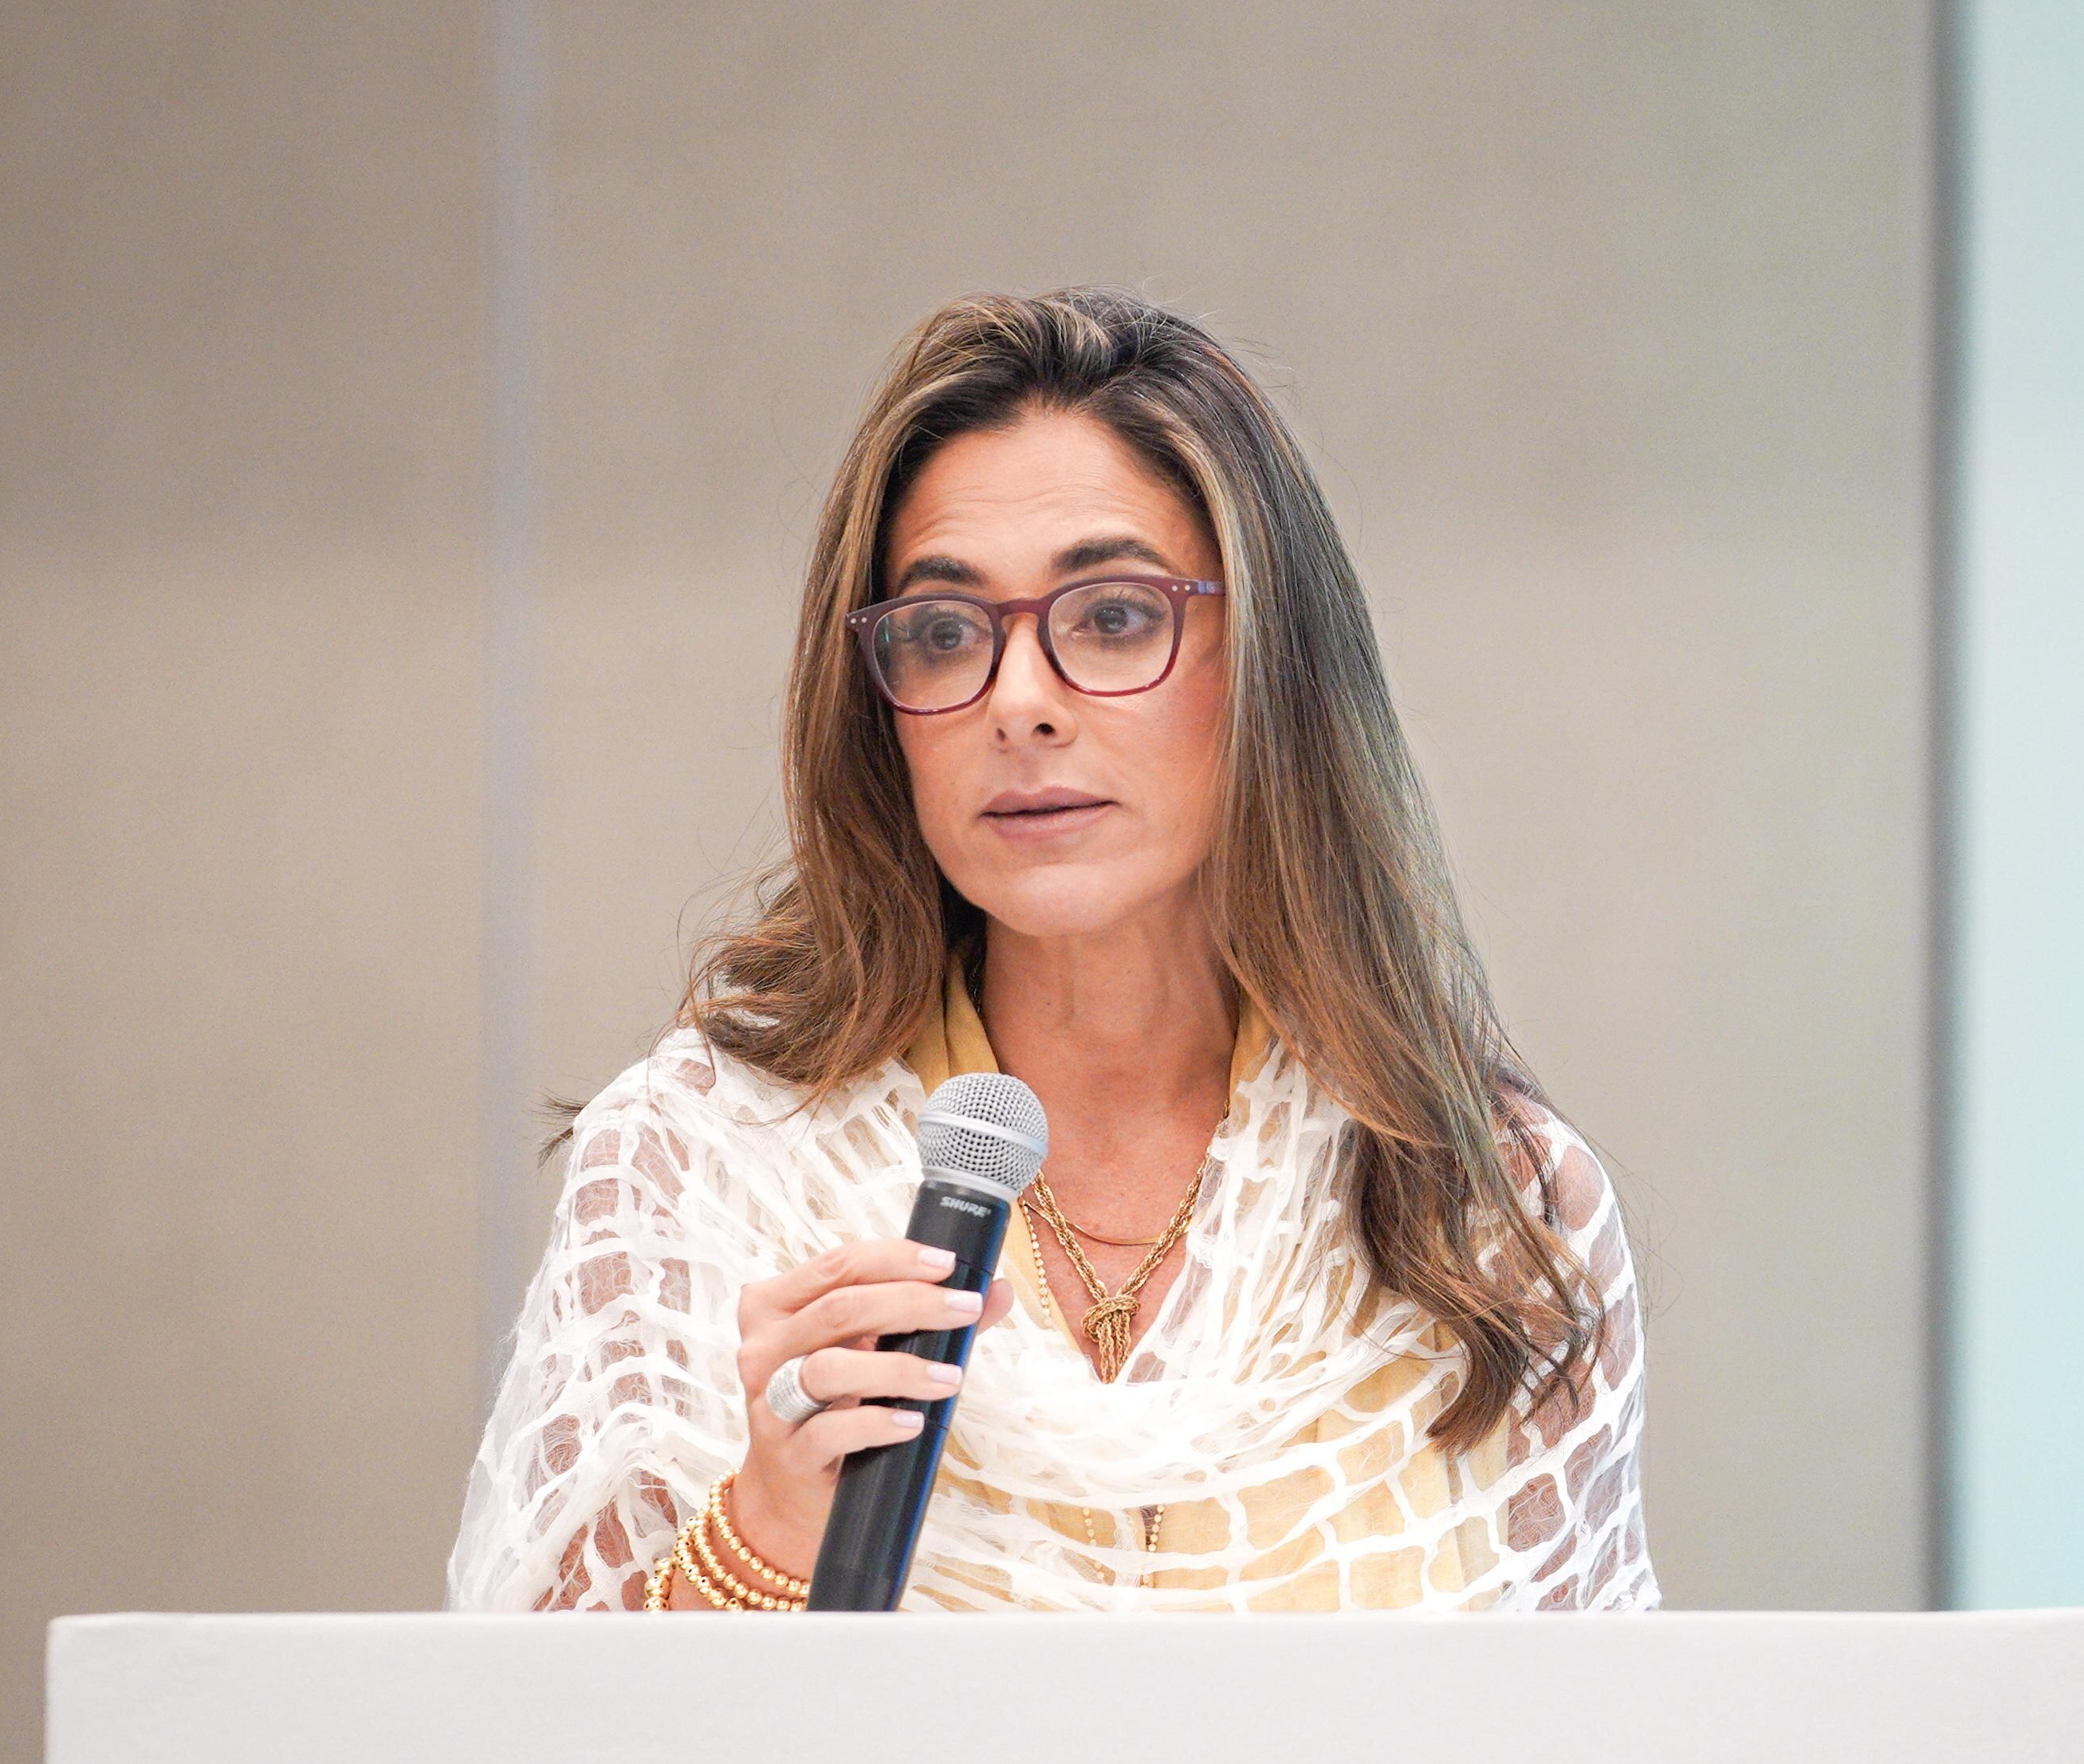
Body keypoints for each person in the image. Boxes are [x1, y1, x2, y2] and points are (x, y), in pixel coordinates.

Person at [446, 288, 1654, 1613]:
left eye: (1116, 616)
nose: (1018, 702)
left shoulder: (1489, 1209)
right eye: (944, 632)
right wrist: (770, 1528)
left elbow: (1580, 1761)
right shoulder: (696, 1166)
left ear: (1270, 661)